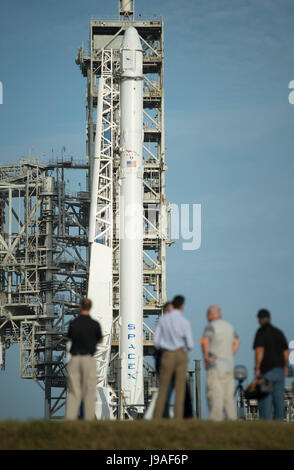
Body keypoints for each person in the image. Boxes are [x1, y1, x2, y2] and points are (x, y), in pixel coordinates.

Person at [153, 295, 194, 419]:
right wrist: (183, 350)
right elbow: (190, 344)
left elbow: (156, 340)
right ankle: (178, 418)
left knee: (163, 388)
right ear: (182, 306)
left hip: (167, 355)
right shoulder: (184, 322)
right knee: (180, 388)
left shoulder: (163, 320)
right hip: (180, 354)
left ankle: (157, 417)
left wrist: (165, 348)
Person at [200, 305, 240, 421]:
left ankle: (215, 419)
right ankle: (231, 419)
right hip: (229, 366)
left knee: (215, 394)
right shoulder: (229, 327)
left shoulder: (211, 327)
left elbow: (205, 341)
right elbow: (237, 341)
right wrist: (230, 354)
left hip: (216, 366)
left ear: (211, 314)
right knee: (228, 396)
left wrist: (206, 358)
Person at [65, 298, 103, 420]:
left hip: (75, 359)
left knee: (73, 391)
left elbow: (70, 336)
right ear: (90, 307)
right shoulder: (95, 324)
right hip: (88, 359)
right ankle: (89, 421)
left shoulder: (73, 323)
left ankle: (69, 420)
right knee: (89, 391)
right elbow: (100, 339)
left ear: (81, 306)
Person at [253, 309, 289, 421]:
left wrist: (257, 367)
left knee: (265, 400)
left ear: (259, 320)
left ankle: (266, 424)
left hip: (266, 371)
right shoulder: (279, 332)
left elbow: (259, 351)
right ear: (270, 318)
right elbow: (286, 353)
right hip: (279, 370)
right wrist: (285, 367)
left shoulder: (260, 332)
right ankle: (279, 422)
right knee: (279, 399)